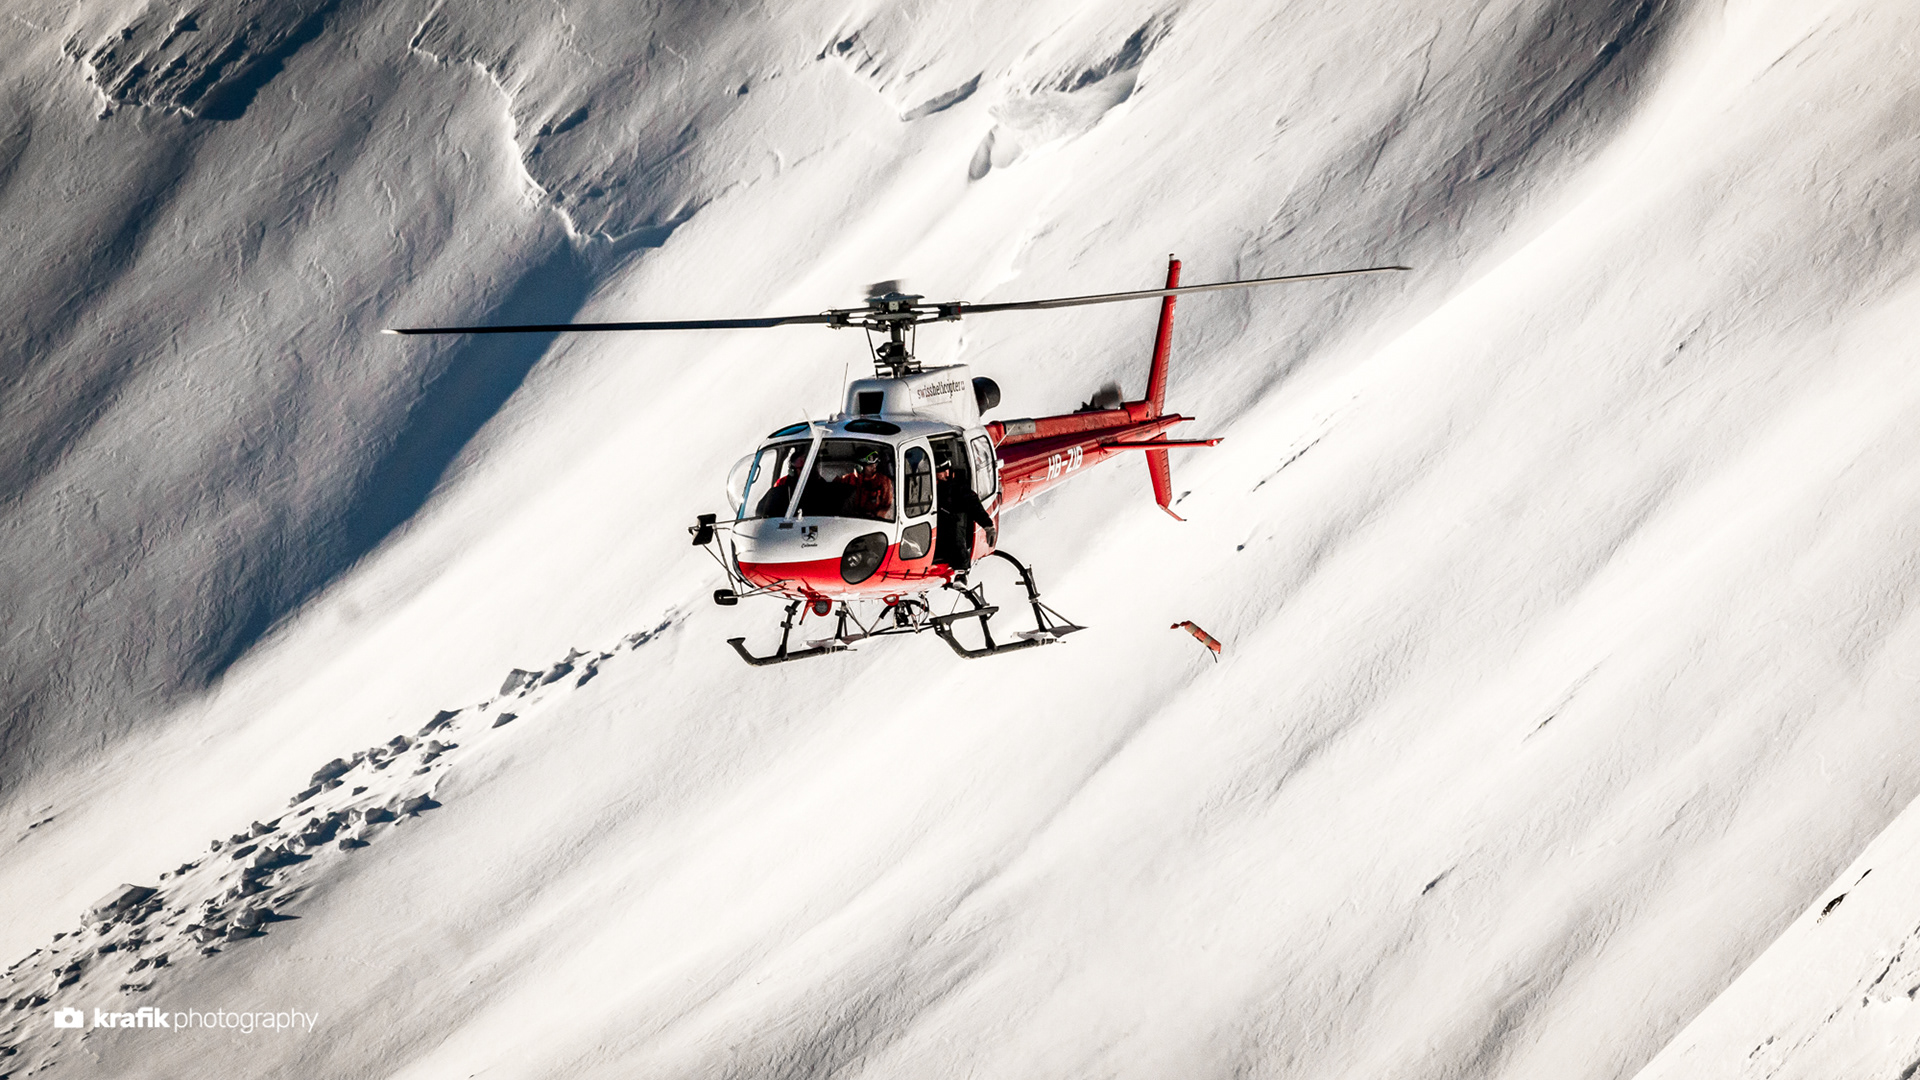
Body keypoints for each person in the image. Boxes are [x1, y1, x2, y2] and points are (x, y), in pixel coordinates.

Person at [935, 461, 996, 573]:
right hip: (933, 531)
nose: (941, 476)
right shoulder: (926, 490)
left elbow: (974, 505)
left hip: (951, 531)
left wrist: (988, 525)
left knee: (955, 526)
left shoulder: (957, 489)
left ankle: (961, 569)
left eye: (942, 473)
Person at [838, 448, 894, 521]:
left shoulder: (884, 481)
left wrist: (876, 515)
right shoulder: (846, 479)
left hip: (873, 522)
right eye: (870, 465)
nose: (874, 467)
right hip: (849, 521)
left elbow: (886, 507)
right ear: (859, 467)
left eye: (875, 464)